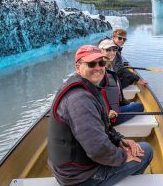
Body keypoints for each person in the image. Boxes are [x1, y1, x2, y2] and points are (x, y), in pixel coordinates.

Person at [48, 45, 153, 185]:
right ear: (78, 67)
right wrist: (123, 156)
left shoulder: (83, 88)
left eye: (101, 63)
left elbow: (100, 128)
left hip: (71, 170)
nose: (98, 67)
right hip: (81, 178)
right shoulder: (80, 99)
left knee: (132, 149)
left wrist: (119, 140)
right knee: (146, 150)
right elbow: (98, 150)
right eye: (91, 64)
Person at [98, 39, 144, 125]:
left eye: (114, 49)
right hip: (110, 117)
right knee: (139, 106)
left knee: (132, 104)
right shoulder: (100, 71)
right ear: (100, 51)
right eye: (108, 49)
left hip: (111, 110)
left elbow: (117, 95)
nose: (112, 52)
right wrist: (107, 111)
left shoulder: (109, 67)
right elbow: (96, 96)